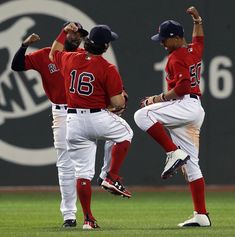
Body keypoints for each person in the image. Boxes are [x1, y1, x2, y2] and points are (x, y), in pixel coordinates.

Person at [10, 22, 113, 228]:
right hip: (62, 111)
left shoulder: (85, 58)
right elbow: (17, 65)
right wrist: (23, 46)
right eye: (72, 34)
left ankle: (108, 176)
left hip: (88, 111)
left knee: (115, 138)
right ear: (64, 35)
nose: (76, 37)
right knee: (65, 165)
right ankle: (69, 215)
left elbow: (105, 77)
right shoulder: (46, 54)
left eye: (79, 35)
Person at [49, 23, 133, 229]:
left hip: (73, 121)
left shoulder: (69, 58)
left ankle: (88, 219)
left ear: (87, 42)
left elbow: (53, 53)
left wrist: (65, 33)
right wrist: (120, 98)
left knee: (83, 173)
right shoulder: (107, 67)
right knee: (125, 133)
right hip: (96, 117)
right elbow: (118, 103)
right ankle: (111, 176)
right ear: (105, 47)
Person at [134, 6, 211, 227]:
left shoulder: (176, 57)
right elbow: (199, 40)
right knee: (192, 165)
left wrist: (156, 98)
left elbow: (183, 86)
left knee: (142, 114)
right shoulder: (192, 51)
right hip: (194, 109)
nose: (161, 43)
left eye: (165, 39)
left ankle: (172, 153)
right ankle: (201, 215)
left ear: (177, 38)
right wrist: (197, 20)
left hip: (184, 104)